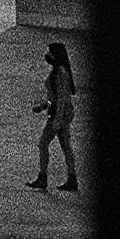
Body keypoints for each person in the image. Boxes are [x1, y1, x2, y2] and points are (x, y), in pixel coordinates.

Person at [30, 39, 77, 191]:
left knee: (43, 144)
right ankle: (72, 179)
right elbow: (55, 97)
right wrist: (43, 106)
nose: (47, 55)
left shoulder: (60, 73)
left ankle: (43, 177)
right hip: (61, 114)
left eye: (50, 52)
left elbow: (62, 99)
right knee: (65, 146)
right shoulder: (58, 71)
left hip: (59, 115)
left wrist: (57, 120)